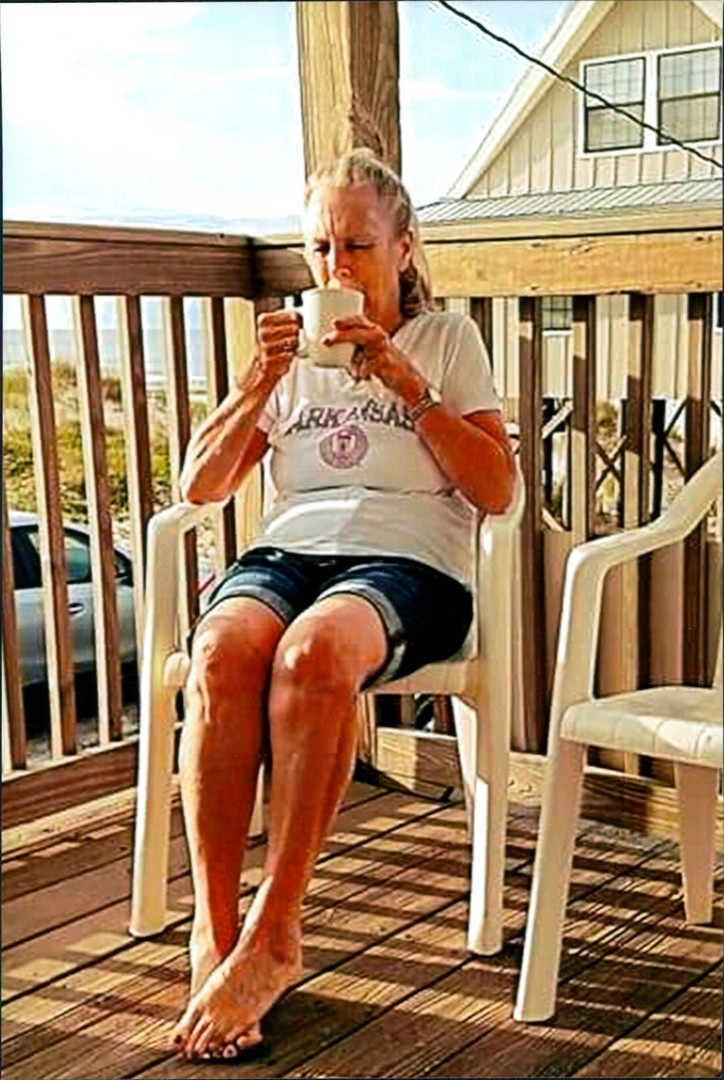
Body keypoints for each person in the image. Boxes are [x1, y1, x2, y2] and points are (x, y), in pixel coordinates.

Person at [171, 147, 515, 1061]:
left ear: (404, 247)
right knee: (221, 653)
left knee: (314, 654)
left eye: (357, 245)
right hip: (290, 553)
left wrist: (408, 384)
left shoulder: (447, 341)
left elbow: (497, 489)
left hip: (410, 562)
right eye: (321, 247)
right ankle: (216, 929)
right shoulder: (287, 356)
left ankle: (277, 929)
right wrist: (256, 384)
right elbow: (200, 486)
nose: (337, 266)